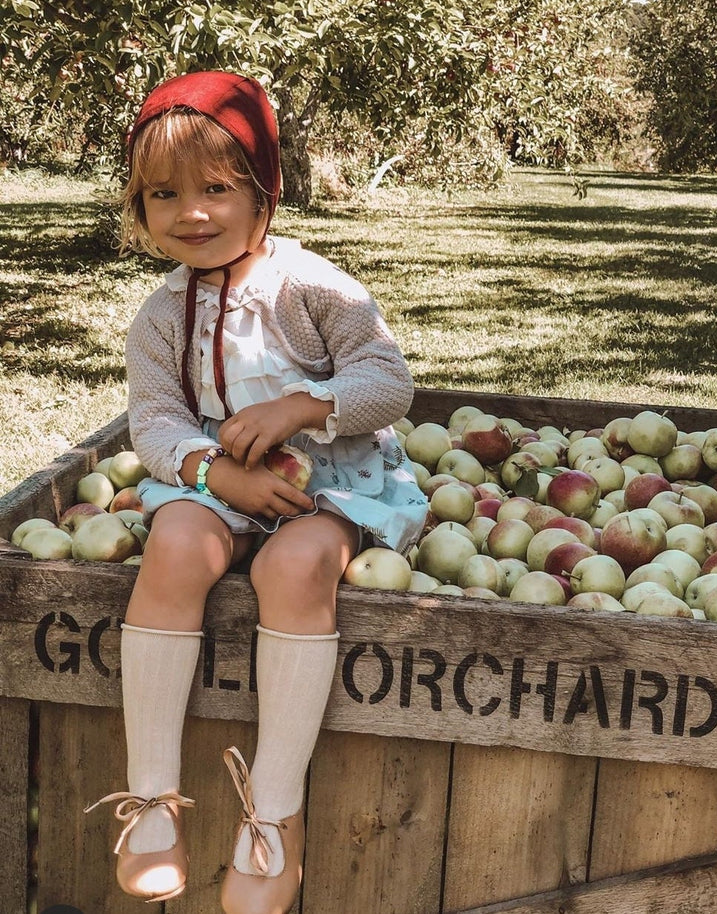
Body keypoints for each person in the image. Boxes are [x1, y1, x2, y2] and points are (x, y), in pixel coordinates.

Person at [84, 70, 428, 914]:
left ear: (263, 190)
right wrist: (211, 472)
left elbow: (389, 383)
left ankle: (275, 811)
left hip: (329, 487)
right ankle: (153, 798)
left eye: (216, 188)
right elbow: (157, 425)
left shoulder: (316, 288)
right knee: (173, 545)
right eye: (164, 194)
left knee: (297, 569)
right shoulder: (159, 319)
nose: (191, 212)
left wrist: (306, 406)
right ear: (140, 208)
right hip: (219, 484)